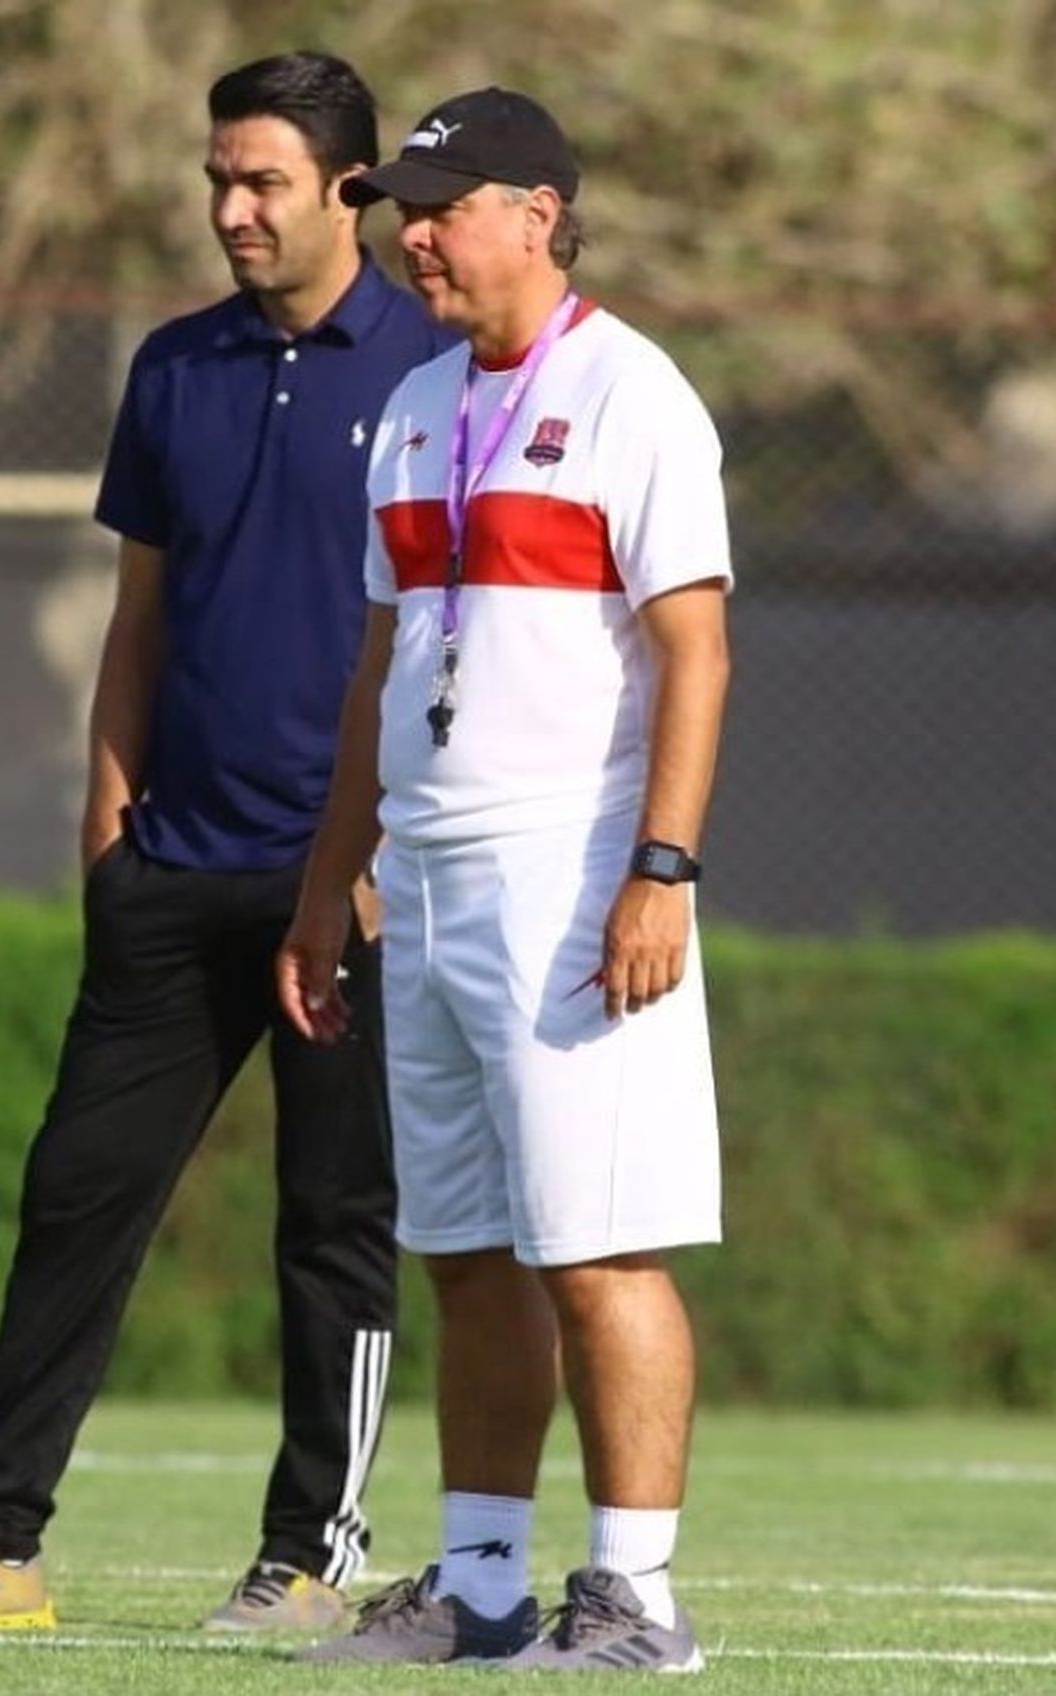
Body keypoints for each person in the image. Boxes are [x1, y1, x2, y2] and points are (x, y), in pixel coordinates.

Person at [0, 51, 452, 1636]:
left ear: (353, 194)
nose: (231, 209)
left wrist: (390, 848)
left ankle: (315, 1558)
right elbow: (140, 619)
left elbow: (459, 637)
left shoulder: (438, 375)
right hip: (172, 867)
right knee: (76, 1197)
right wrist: (109, 823)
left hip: (355, 888)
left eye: (264, 184)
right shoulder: (173, 367)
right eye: (217, 180)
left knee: (334, 1224)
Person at [276, 86, 732, 1673]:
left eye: (446, 203)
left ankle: (638, 1606)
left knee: (599, 1247)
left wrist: (660, 869)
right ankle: (481, 1584)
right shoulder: (412, 408)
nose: (414, 231)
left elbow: (696, 649)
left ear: (537, 213)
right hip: (431, 874)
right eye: (403, 203)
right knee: (468, 1251)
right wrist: (333, 879)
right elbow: (382, 664)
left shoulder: (633, 394)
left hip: (575, 866)